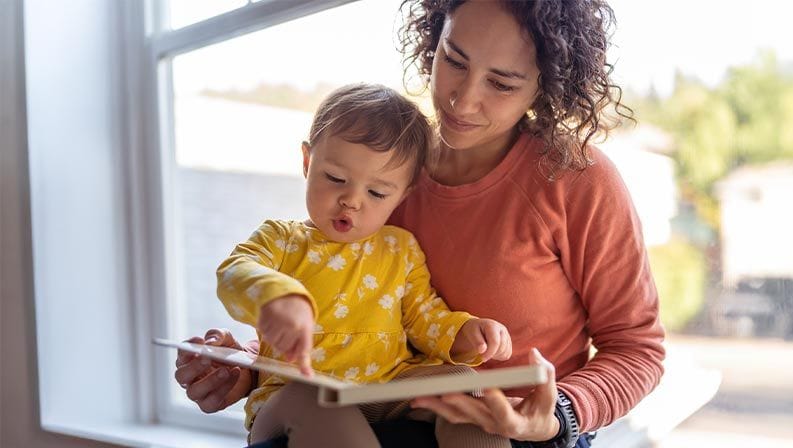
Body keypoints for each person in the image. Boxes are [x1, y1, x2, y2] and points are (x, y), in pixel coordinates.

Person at [175, 0, 666, 446]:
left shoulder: (577, 179)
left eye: (501, 83)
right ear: (434, 38)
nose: (462, 99)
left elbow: (637, 349)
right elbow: (339, 305)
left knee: (473, 410)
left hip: (516, 434)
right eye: (453, 60)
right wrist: (243, 366)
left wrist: (558, 414)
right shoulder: (384, 171)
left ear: (546, 83)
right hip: (367, 415)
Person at [210, 82, 514, 447]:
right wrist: (276, 297)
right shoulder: (282, 240)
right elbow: (233, 271)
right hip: (294, 396)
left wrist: (466, 333)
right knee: (314, 399)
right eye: (335, 179)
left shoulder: (400, 248)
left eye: (377, 192)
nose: (351, 201)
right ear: (308, 162)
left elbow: (424, 317)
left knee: (465, 382)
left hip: (386, 387)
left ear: (404, 193)